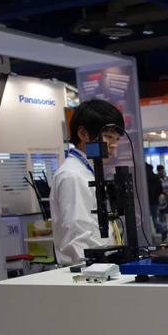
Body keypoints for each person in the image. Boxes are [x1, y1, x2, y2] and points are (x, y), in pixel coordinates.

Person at [50, 99, 123, 266]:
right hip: (90, 271)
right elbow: (76, 236)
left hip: (100, 267)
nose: (114, 145)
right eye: (108, 136)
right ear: (83, 133)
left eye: (117, 138)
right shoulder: (73, 175)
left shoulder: (88, 171)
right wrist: (91, 272)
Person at [146, 163, 167, 241]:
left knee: (148, 219)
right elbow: (160, 189)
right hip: (155, 200)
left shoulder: (143, 177)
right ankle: (161, 229)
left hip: (146, 201)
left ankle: (160, 230)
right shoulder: (156, 177)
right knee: (154, 217)